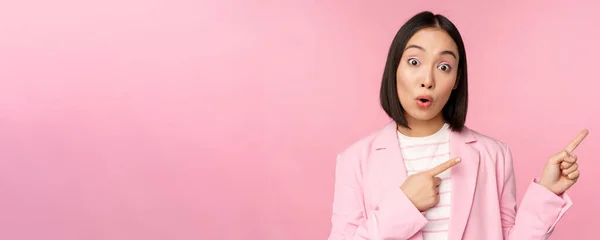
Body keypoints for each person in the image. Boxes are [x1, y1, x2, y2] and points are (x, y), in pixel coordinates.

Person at [327, 11, 589, 240]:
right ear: (394, 68)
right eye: (414, 62)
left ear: (456, 79)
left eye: (443, 66)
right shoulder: (355, 160)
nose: (427, 80)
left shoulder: (493, 155)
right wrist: (404, 205)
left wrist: (548, 192)